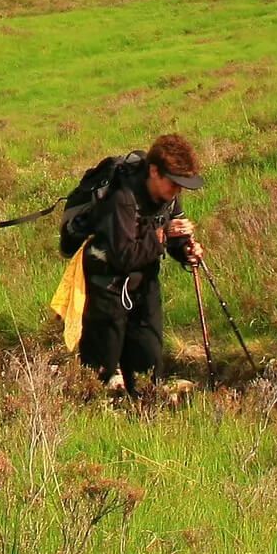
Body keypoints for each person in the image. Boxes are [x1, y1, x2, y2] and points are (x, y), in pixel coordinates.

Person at [68, 134, 206, 398]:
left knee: (148, 365)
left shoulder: (169, 196)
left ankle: (144, 420)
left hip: (144, 287)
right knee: (100, 373)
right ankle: (94, 423)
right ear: (154, 171)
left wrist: (186, 250)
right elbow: (124, 256)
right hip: (106, 290)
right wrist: (163, 234)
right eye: (174, 183)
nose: (177, 191)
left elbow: (168, 236)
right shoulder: (122, 197)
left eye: (181, 186)